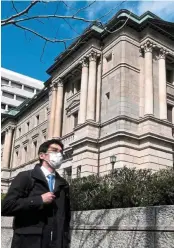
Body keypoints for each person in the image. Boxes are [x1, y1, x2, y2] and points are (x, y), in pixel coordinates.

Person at [1, 138, 71, 248]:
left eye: (61, 151)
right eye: (54, 150)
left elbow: (65, 217)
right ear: (42, 155)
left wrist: (65, 241)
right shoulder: (25, 177)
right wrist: (39, 200)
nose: (59, 154)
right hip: (28, 242)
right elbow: (6, 206)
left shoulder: (63, 184)